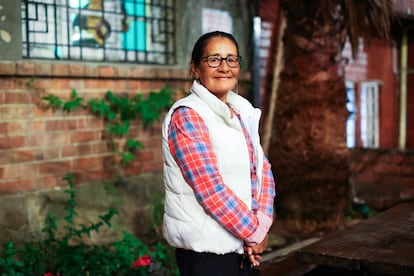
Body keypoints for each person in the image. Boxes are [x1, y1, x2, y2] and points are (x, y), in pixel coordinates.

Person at [161, 31, 276, 276]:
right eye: (214, 59)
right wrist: (254, 234)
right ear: (195, 68)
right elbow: (210, 188)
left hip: (242, 246)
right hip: (206, 253)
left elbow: (262, 170)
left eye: (231, 59)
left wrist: (261, 227)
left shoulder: (242, 111)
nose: (224, 67)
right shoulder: (188, 115)